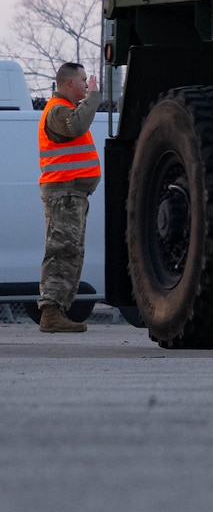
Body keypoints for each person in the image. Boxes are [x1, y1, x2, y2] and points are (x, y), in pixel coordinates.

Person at [36, 61, 101, 333]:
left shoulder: (65, 109)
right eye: (84, 80)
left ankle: (58, 311)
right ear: (70, 83)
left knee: (71, 251)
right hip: (64, 193)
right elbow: (75, 126)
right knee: (62, 250)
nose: (87, 85)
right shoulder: (58, 112)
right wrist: (94, 98)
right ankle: (51, 313)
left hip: (72, 194)